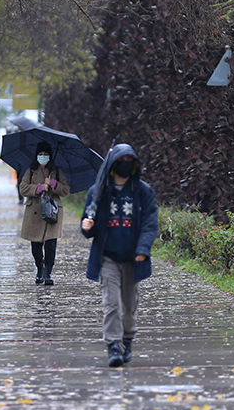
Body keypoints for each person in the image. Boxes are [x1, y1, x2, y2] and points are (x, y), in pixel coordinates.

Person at [81, 143, 159, 368]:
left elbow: (149, 223)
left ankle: (127, 339)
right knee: (112, 303)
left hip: (133, 259)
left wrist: (143, 250)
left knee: (128, 306)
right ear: (113, 165)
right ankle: (113, 345)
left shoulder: (143, 191)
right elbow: (88, 225)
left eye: (130, 162)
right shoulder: (98, 192)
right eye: (122, 162)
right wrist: (87, 226)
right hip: (107, 258)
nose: (126, 166)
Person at [18, 141, 69, 285]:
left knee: (51, 245)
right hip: (34, 212)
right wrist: (38, 188)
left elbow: (65, 190)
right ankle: (39, 269)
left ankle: (48, 272)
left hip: (52, 212)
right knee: (36, 246)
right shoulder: (31, 170)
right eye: (40, 154)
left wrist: (54, 185)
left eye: (46, 154)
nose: (43, 157)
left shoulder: (57, 171)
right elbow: (23, 188)